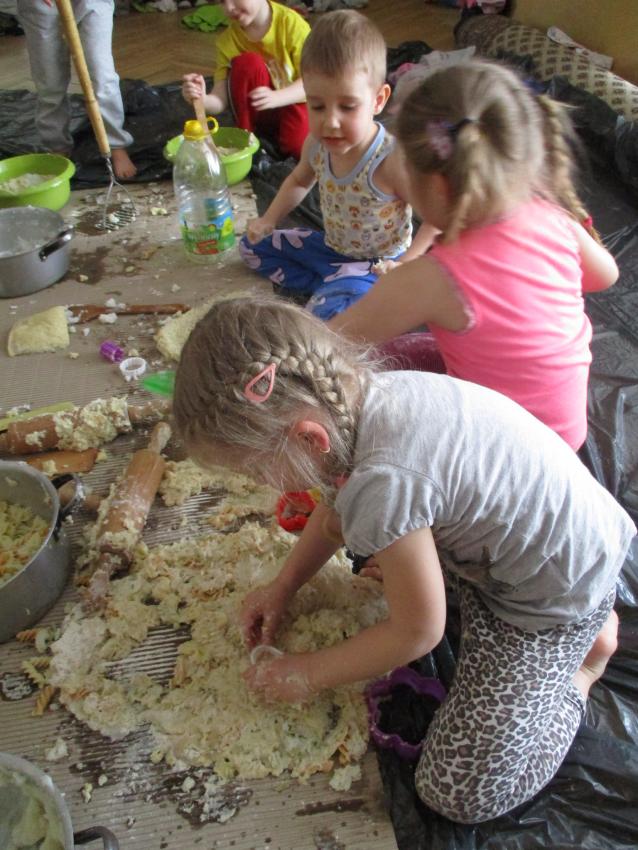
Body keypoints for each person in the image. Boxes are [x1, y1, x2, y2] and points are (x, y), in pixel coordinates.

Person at [173, 295, 636, 824]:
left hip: (550, 599)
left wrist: (305, 673)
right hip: (546, 539)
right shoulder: (357, 402)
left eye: (258, 471)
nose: (262, 484)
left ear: (308, 438)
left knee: (454, 793)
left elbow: (418, 633)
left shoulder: (384, 482)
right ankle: (573, 631)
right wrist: (284, 586)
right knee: (375, 542)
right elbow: (334, 513)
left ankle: (584, 667)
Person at [328, 59, 619, 451]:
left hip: (505, 458)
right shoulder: (551, 215)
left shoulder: (430, 279)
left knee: (381, 387)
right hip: (566, 435)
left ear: (437, 186)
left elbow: (333, 341)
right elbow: (606, 275)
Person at [240, 10, 437, 321]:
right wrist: (269, 219)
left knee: (327, 322)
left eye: (347, 106)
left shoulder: (391, 159)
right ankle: (332, 285)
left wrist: (405, 264)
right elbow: (298, 181)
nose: (330, 122)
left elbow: (436, 218)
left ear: (378, 99)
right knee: (251, 247)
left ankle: (342, 292)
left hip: (378, 266)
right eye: (317, 106)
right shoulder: (316, 144)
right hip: (331, 249)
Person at [17, 0, 137, 179]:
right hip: (41, 5)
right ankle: (57, 147)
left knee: (101, 75)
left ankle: (115, 144)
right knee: (50, 81)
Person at [181, 0, 310, 161]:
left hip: (295, 101)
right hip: (260, 112)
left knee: (300, 149)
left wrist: (277, 97)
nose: (229, 8)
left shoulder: (292, 25)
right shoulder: (227, 41)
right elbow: (220, 100)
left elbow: (313, 81)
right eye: (222, 2)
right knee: (248, 63)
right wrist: (202, 99)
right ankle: (246, 134)